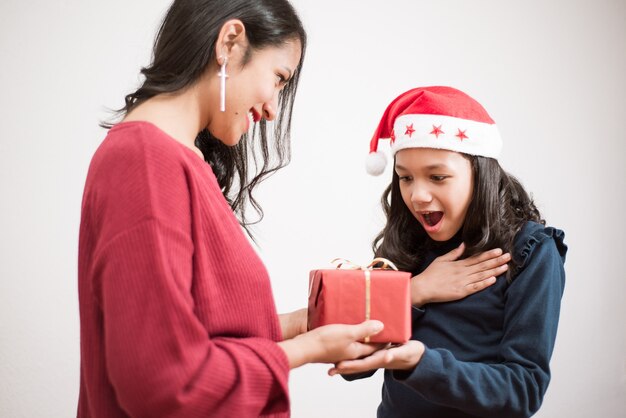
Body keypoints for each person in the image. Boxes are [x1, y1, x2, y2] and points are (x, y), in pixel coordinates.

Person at [77, 0, 512, 415]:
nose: (271, 109)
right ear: (230, 43)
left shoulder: (176, 160)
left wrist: (312, 323)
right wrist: (311, 350)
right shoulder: (146, 162)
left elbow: (210, 335)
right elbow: (162, 383)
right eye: (280, 78)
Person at [334, 86, 567, 418]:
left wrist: (421, 363)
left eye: (438, 177)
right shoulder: (405, 241)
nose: (417, 196)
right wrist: (416, 292)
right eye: (405, 178)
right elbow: (352, 366)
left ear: (480, 173)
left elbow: (523, 390)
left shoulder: (531, 251)